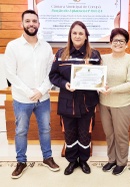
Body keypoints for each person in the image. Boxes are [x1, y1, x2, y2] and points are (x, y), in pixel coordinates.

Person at [4, 9, 60, 179]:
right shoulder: (13, 46)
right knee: (21, 131)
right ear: (22, 24)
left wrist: (41, 91)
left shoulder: (46, 46)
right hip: (22, 99)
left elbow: (51, 72)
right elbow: (10, 74)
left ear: (39, 24)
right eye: (27, 21)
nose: (31, 24)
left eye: (34, 21)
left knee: (45, 129)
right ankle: (21, 161)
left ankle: (47, 158)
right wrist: (30, 92)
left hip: (43, 98)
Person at [49, 21, 101, 175]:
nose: (77, 36)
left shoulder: (94, 55)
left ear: (86, 37)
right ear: (70, 35)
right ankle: (72, 161)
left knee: (85, 133)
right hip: (67, 102)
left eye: (81, 33)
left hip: (87, 103)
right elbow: (53, 76)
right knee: (70, 133)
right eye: (74, 33)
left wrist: (91, 70)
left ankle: (83, 161)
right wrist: (65, 84)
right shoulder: (60, 54)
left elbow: (100, 77)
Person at [99, 28, 130, 175]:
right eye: (115, 40)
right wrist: (98, 87)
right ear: (110, 43)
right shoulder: (104, 59)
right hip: (104, 103)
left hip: (123, 104)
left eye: (122, 41)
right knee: (109, 134)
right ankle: (111, 159)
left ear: (126, 44)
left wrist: (112, 90)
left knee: (120, 134)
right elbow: (98, 79)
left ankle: (121, 162)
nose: (118, 43)